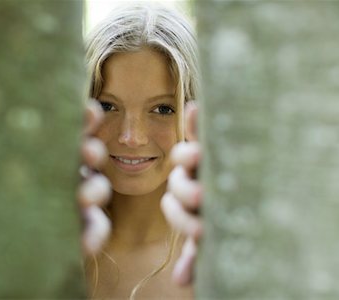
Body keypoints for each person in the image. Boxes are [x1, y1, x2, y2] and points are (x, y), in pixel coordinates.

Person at [78, 3, 203, 299]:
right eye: (107, 106)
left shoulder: (213, 256)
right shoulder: (53, 245)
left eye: (162, 109)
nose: (131, 137)